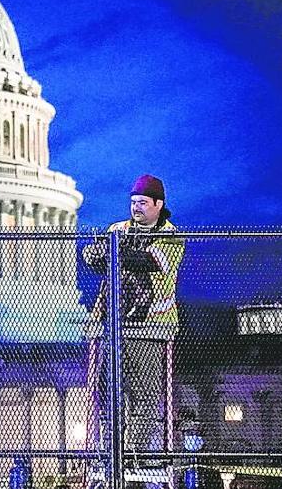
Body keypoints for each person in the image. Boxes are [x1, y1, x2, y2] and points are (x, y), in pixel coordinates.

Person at [81, 175, 185, 460]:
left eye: (142, 203)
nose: (135, 208)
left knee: (145, 394)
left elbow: (149, 262)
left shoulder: (170, 236)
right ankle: (110, 448)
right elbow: (94, 258)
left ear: (158, 204)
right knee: (106, 392)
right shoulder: (119, 229)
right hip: (113, 325)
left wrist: (114, 252)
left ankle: (132, 452)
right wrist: (103, 254)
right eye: (133, 203)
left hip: (151, 326)